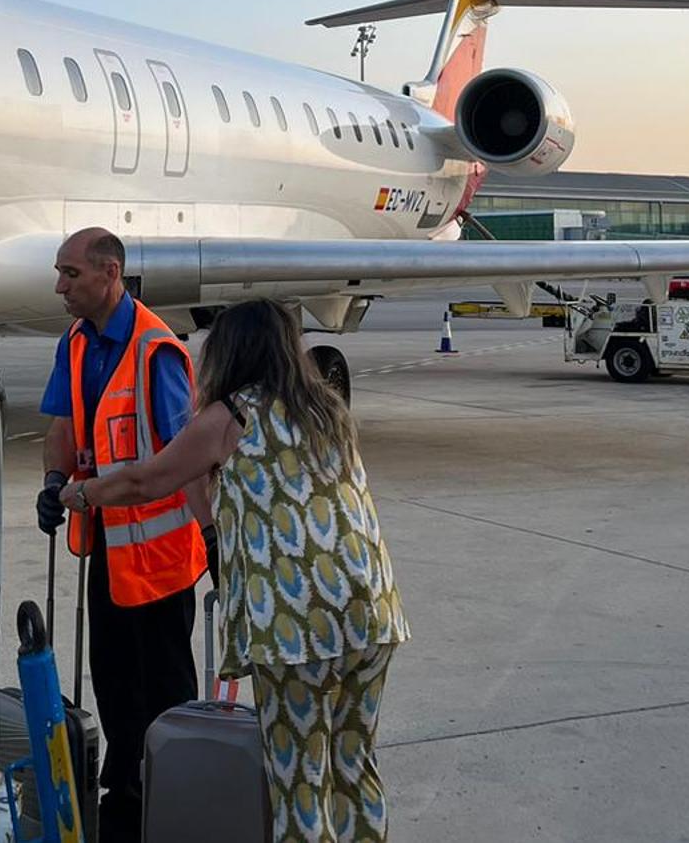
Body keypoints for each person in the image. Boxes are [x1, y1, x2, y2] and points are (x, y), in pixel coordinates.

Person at [61, 298, 410, 842]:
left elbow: (145, 482)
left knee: (298, 779)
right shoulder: (325, 409)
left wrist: (80, 493)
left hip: (300, 626)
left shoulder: (232, 416)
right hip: (371, 612)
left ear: (230, 352)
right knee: (352, 764)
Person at [35, 227, 213, 843]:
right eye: (59, 273)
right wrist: (55, 477)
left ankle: (175, 785)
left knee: (164, 683)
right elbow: (63, 420)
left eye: (71, 274)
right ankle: (126, 782)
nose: (60, 286)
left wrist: (212, 535)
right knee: (112, 674)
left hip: (160, 554)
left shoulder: (156, 349)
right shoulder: (77, 343)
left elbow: (185, 456)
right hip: (107, 546)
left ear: (110, 274)